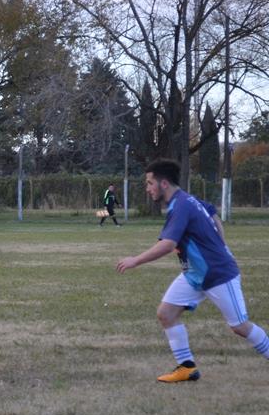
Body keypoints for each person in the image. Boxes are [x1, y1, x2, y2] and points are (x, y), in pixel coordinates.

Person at [115, 159, 269, 382]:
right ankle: (186, 367)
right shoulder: (187, 200)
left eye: (149, 183)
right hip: (195, 274)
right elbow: (213, 215)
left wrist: (135, 261)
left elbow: (168, 244)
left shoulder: (181, 206)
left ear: (164, 183)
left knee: (239, 326)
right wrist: (221, 243)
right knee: (166, 313)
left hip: (217, 274)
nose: (148, 188)